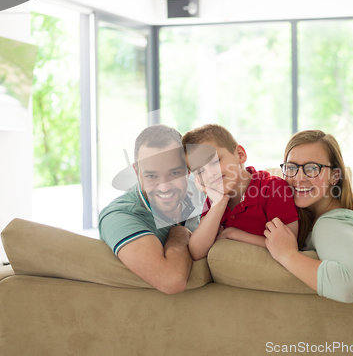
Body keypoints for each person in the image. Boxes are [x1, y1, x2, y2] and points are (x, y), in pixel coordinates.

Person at [264, 130, 353, 303]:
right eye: (291, 167)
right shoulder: (316, 220)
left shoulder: (331, 223)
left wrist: (287, 254)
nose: (299, 178)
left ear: (335, 176)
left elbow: (347, 288)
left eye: (312, 168)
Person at [98, 125, 204, 294]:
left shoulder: (202, 187)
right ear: (136, 171)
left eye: (174, 173)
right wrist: (179, 233)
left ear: (188, 169)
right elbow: (171, 280)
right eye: (151, 176)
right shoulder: (119, 216)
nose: (164, 187)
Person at [181, 124, 299, 260]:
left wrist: (233, 234)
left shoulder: (273, 188)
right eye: (200, 171)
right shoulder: (215, 200)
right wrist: (220, 203)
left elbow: (289, 244)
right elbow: (197, 252)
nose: (210, 174)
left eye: (215, 161)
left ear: (240, 155)